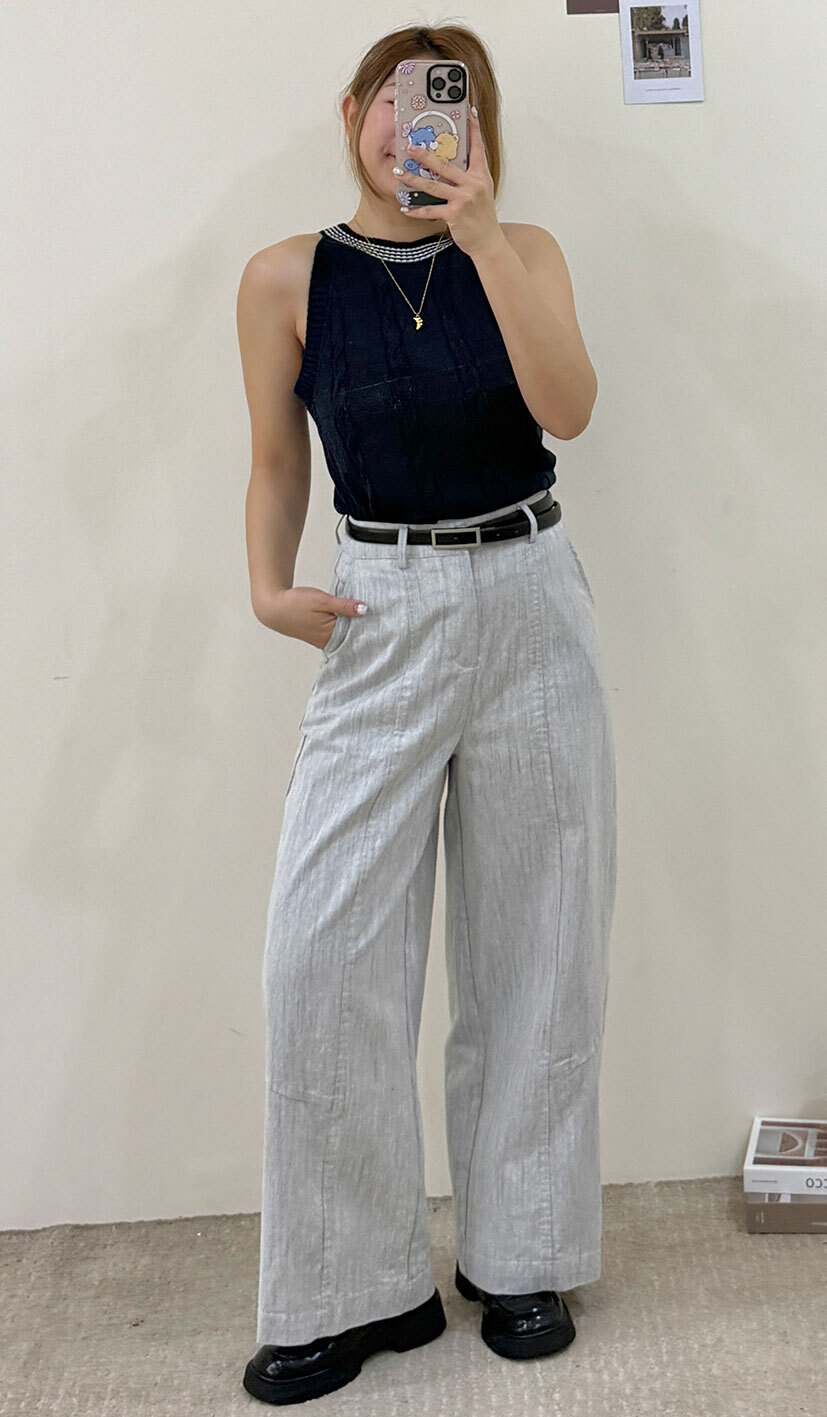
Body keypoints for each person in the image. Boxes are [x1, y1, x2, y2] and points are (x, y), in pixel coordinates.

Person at [236, 22, 617, 1407]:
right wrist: (266, 585)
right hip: (377, 601)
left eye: (449, 107)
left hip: (530, 594)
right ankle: (356, 1285)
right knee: (323, 954)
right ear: (354, 112)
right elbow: (276, 457)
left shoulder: (527, 254)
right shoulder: (287, 277)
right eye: (398, 103)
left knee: (538, 939)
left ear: (481, 128)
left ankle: (522, 1255)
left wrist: (486, 240)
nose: (419, 128)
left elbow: (568, 408)